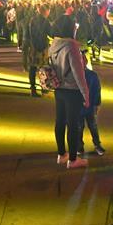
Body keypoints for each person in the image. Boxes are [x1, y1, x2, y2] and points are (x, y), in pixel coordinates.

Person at [48, 16, 90, 170]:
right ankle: (73, 159)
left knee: (60, 121)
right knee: (73, 125)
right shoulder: (71, 46)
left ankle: (61, 154)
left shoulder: (54, 44)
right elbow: (79, 74)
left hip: (59, 88)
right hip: (72, 90)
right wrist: (86, 94)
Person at [79, 62, 105, 157]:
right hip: (88, 106)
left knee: (80, 126)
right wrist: (97, 104)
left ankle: (80, 146)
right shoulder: (92, 75)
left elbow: (97, 90)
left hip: (81, 106)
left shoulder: (74, 74)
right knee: (92, 126)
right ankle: (96, 145)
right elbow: (97, 90)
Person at [27, 5, 52, 97]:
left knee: (33, 68)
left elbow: (29, 33)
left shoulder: (32, 20)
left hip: (33, 46)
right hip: (42, 46)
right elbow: (51, 33)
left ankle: (33, 89)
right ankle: (43, 87)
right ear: (46, 11)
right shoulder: (46, 21)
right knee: (43, 68)